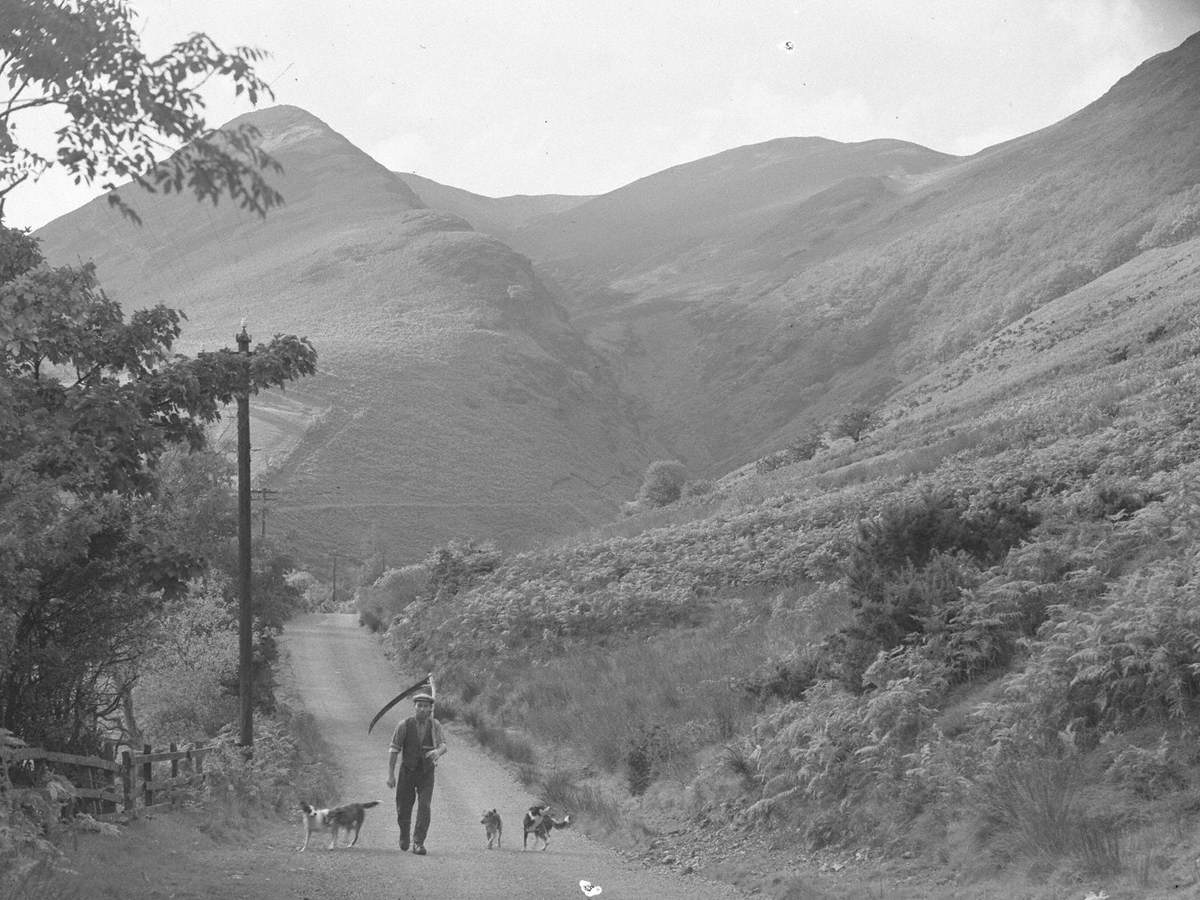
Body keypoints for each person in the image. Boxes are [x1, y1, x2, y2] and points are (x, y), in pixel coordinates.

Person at [386, 691, 447, 855]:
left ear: (430, 709)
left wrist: (437, 752)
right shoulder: (404, 725)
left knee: (424, 807)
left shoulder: (435, 726)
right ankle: (404, 834)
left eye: (425, 706)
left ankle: (418, 843)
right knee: (403, 807)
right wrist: (391, 774)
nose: (421, 709)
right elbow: (394, 749)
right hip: (407, 771)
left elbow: (443, 745)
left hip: (427, 773)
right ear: (414, 707)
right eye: (419, 706)